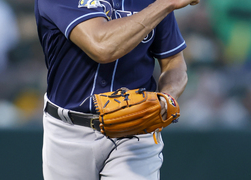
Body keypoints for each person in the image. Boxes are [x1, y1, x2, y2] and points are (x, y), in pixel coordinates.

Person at [34, 0, 199, 179]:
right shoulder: (161, 4)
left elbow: (174, 62)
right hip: (69, 131)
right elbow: (102, 47)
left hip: (135, 132)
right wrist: (165, 4)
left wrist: (167, 97)